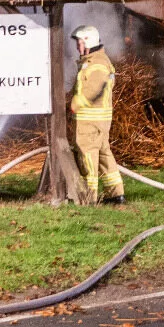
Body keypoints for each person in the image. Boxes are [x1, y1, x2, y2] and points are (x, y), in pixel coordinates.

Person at [68, 25, 124, 205]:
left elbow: (93, 90)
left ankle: (88, 196)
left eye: (80, 42)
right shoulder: (96, 61)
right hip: (98, 119)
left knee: (87, 155)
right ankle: (115, 194)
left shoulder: (97, 64)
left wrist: (75, 103)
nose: (77, 46)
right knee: (103, 155)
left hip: (90, 120)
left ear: (88, 41)